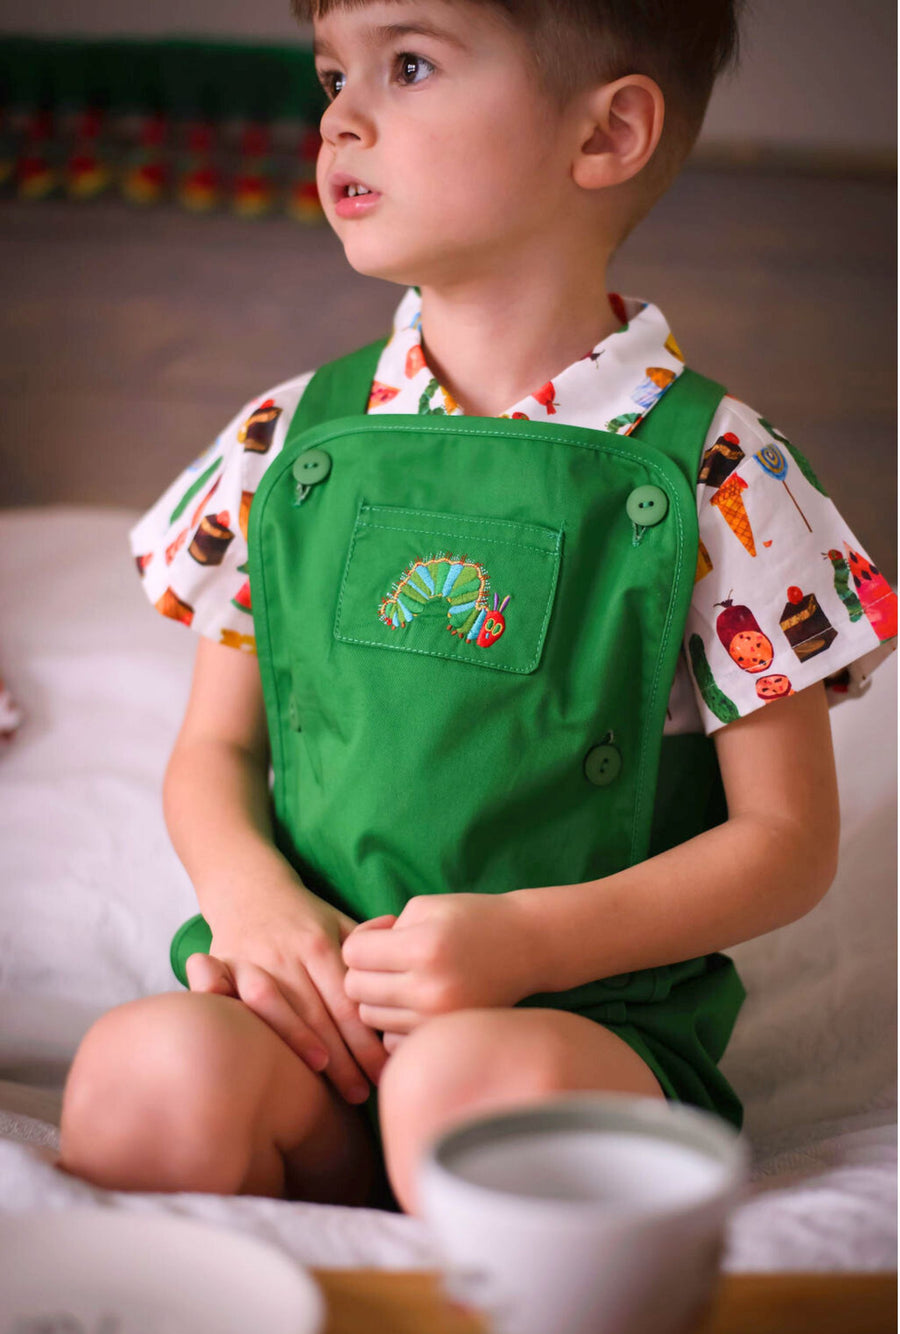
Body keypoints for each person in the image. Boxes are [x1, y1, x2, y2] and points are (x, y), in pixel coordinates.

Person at [58, 0, 896, 1216]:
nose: (340, 116)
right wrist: (252, 896)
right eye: (333, 72)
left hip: (569, 1021)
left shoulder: (721, 469)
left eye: (407, 66)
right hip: (312, 1017)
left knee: (463, 1086)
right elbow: (216, 748)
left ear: (608, 133)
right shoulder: (290, 441)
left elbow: (785, 843)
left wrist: (529, 946)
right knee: (143, 1075)